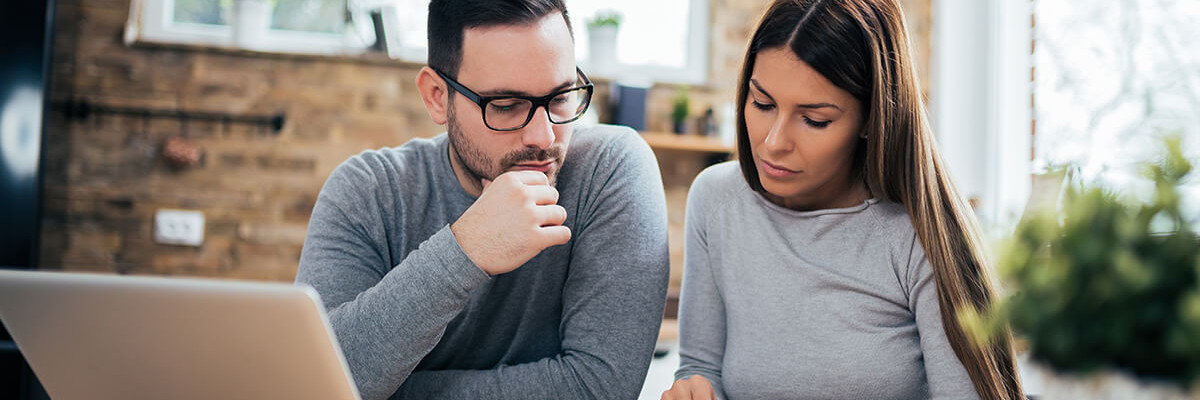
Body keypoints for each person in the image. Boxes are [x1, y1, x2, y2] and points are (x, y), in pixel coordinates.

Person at [295, 1, 670, 399]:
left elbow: (598, 388)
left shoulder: (609, 170)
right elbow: (317, 384)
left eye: (561, 98)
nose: (543, 138)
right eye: (506, 106)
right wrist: (466, 249)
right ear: (437, 96)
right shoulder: (368, 192)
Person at [662, 0, 1024, 399]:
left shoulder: (918, 235)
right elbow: (701, 369)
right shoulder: (717, 203)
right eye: (762, 103)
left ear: (872, 118)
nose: (774, 142)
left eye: (815, 120)